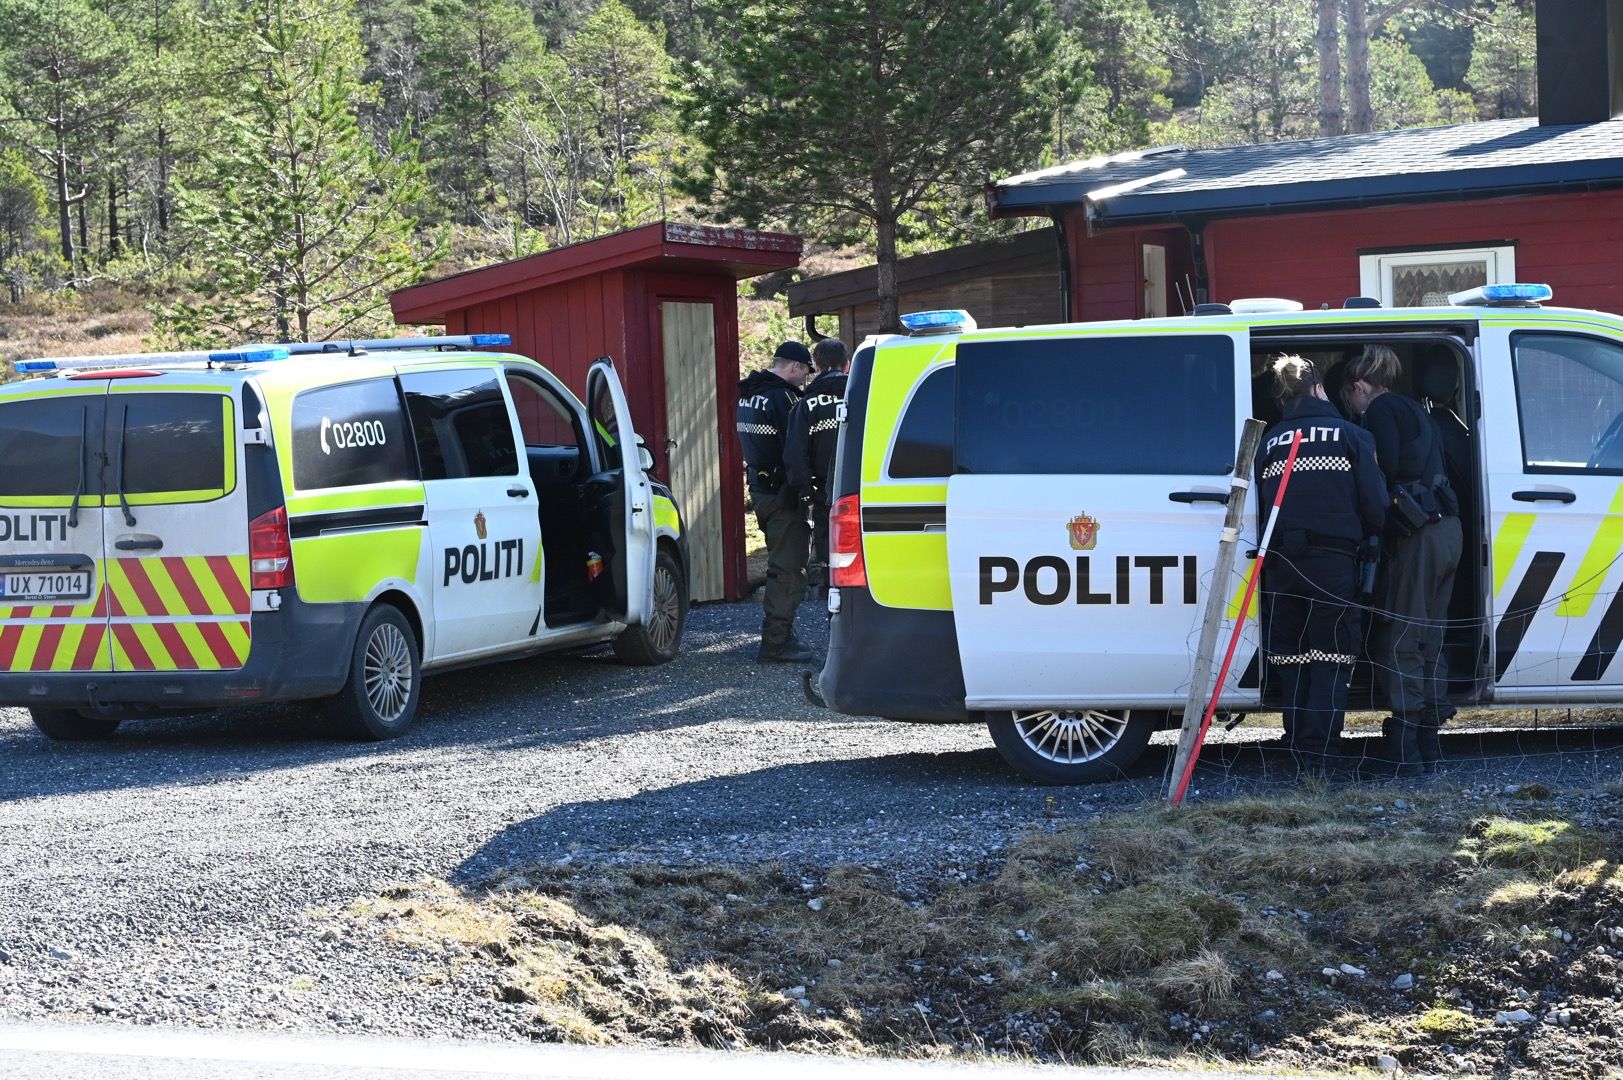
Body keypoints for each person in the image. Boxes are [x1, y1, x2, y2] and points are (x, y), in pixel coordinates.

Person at [1257, 356, 1387, 778]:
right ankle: (1321, 755)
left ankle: (1296, 742)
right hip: (1332, 563)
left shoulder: (1270, 441)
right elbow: (1376, 506)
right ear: (1317, 389)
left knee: (1291, 655)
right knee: (1330, 653)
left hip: (1280, 564)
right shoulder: (1351, 435)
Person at [1343, 344, 1464, 777]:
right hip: (1448, 529)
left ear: (1360, 387)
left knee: (1400, 633)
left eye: (1350, 399)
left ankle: (1403, 748)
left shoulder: (1380, 411)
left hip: (1418, 536)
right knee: (1430, 632)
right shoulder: (1417, 410)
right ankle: (1428, 741)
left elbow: (1384, 471)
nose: (1353, 408)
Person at [738, 341, 814, 662]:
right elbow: (795, 450)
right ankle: (776, 641)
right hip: (783, 496)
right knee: (788, 567)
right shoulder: (783, 399)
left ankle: (783, 631)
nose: (805, 381)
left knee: (779, 561)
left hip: (761, 491)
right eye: (805, 373)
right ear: (794, 367)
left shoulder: (750, 394)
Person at [784, 337, 849, 597]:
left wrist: (806, 491)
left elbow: (794, 453)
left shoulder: (805, 406)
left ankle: (827, 590)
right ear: (846, 365)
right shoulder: (866, 398)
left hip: (824, 492)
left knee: (827, 545)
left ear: (818, 367)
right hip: (863, 488)